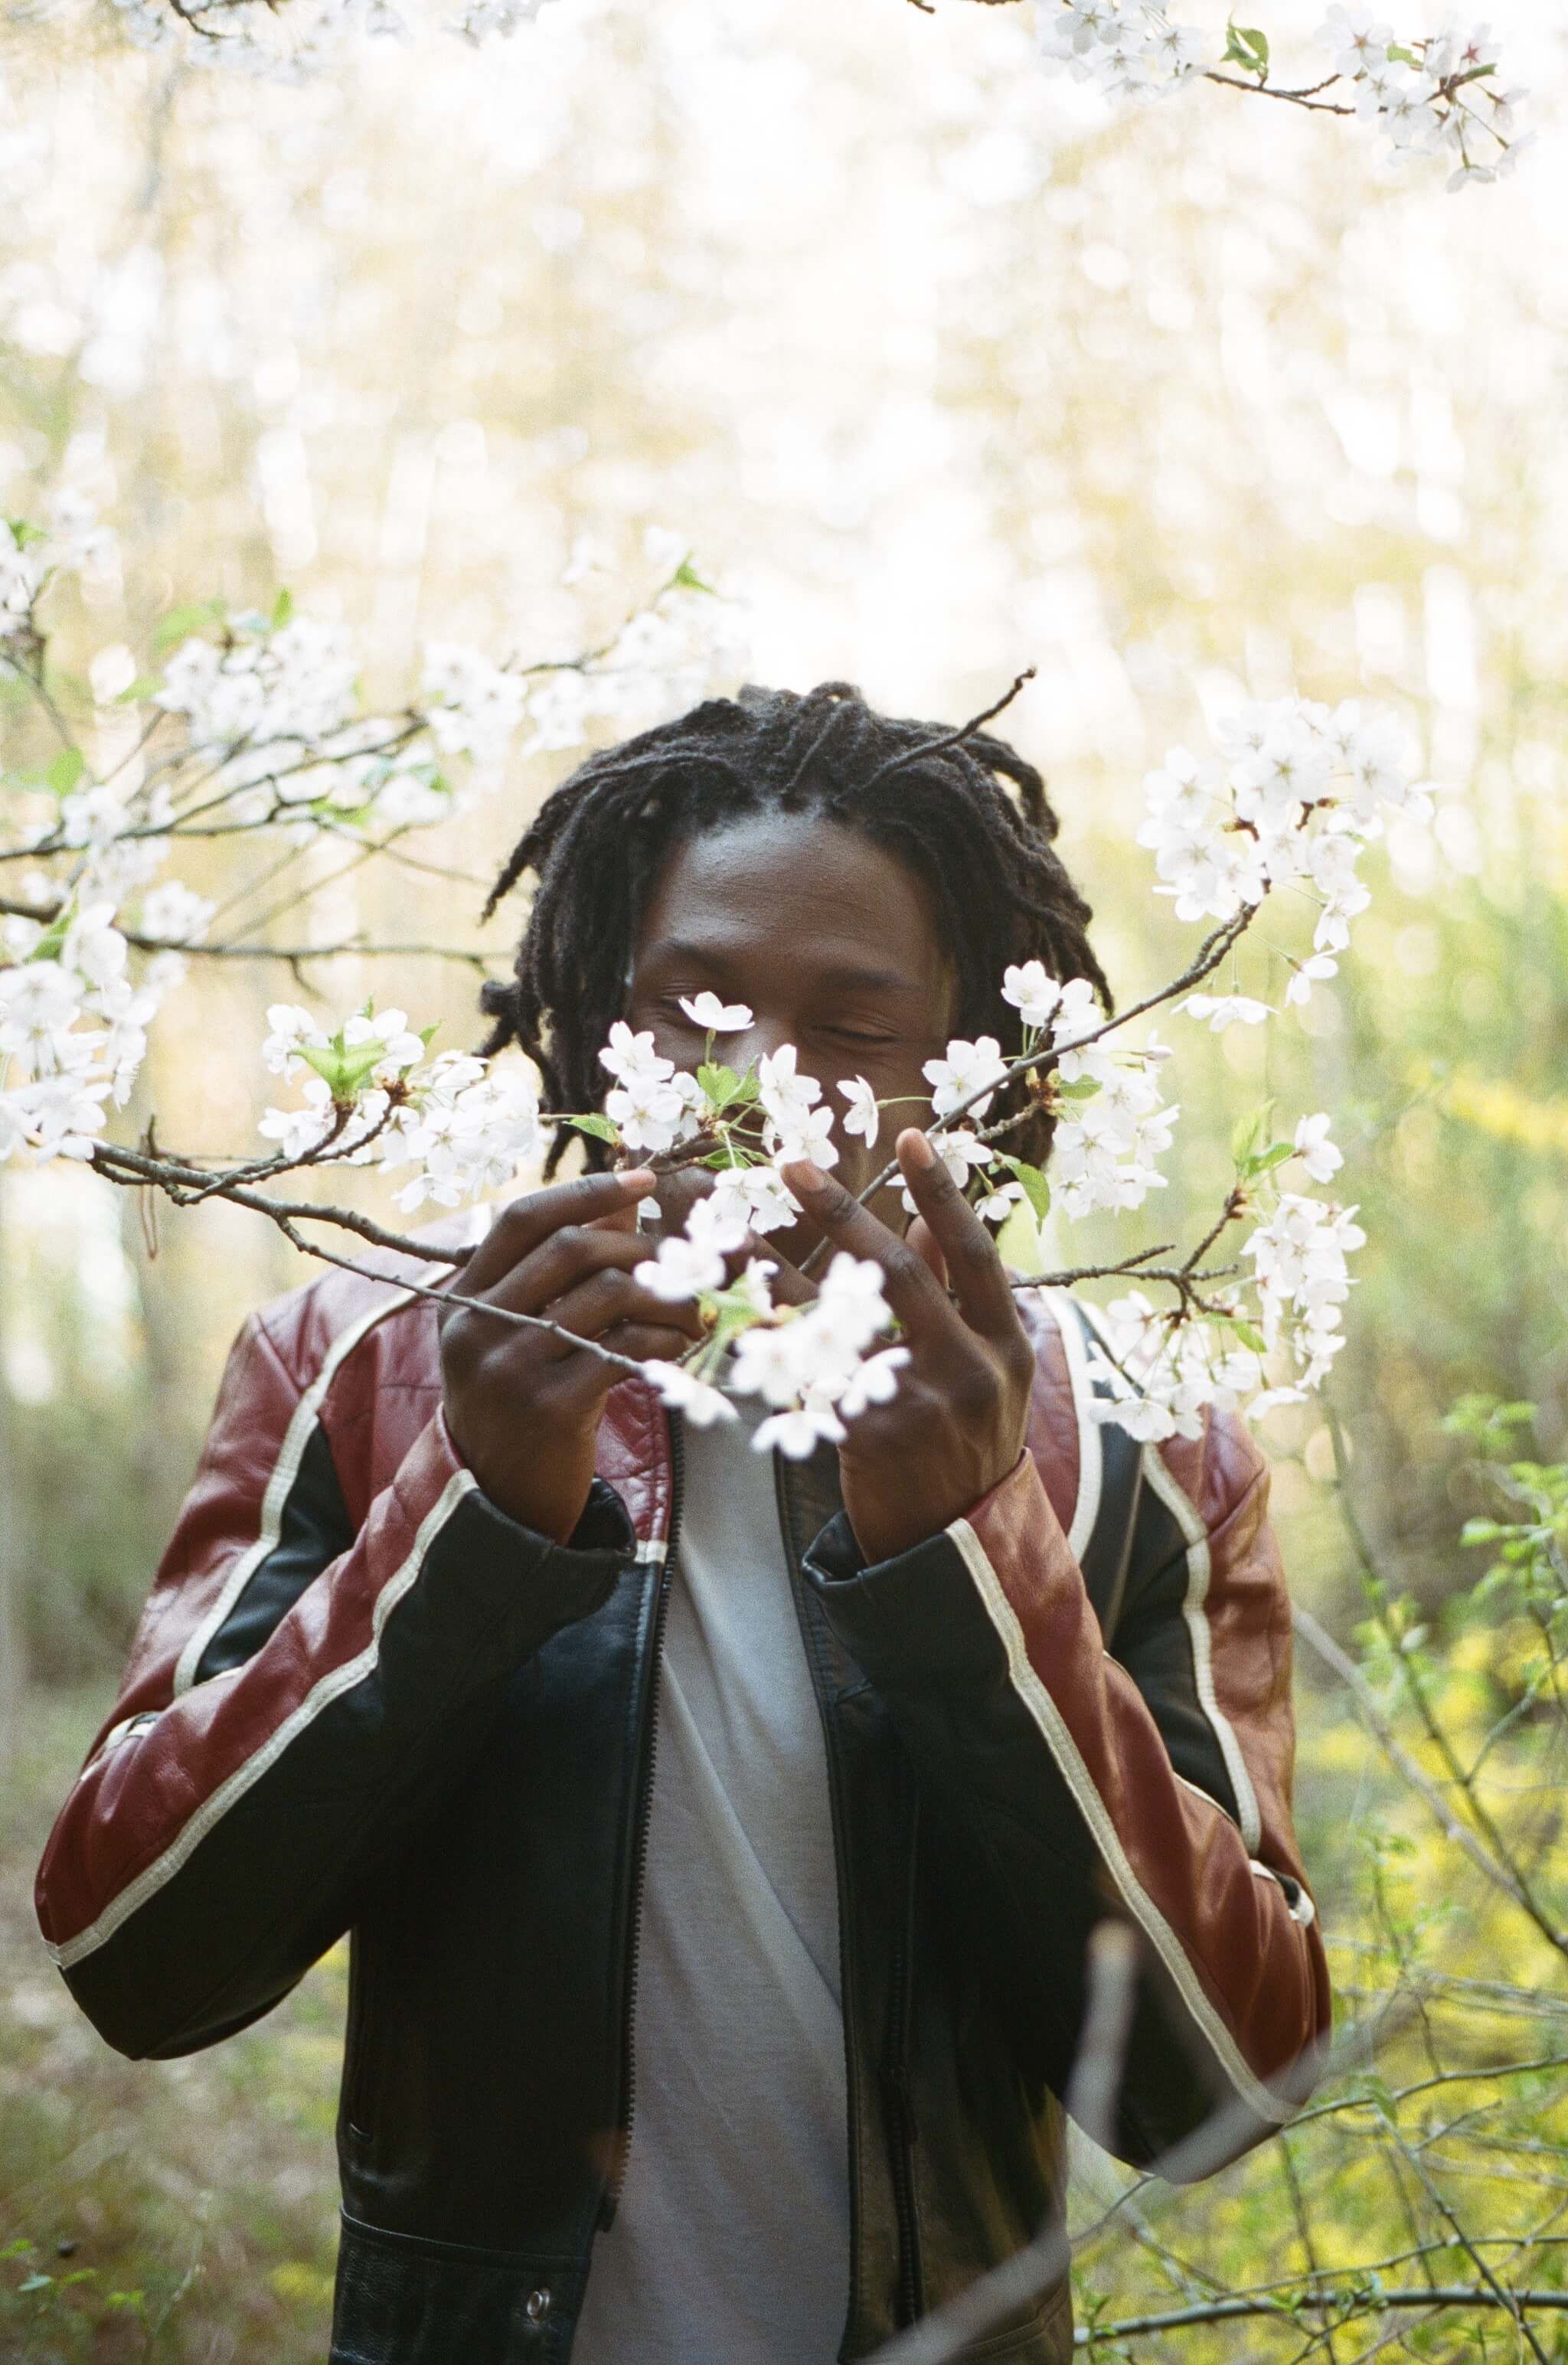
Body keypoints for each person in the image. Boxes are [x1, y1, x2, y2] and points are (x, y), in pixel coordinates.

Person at [34, 681, 1331, 2365]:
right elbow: (138, 1956)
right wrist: (473, 1517)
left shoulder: (1135, 1444)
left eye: (848, 1029)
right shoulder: (367, 1367)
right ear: (592, 1023)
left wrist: (968, 1565)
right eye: (692, 1003)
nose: (748, 1083)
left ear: (966, 1067)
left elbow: (1224, 2084)